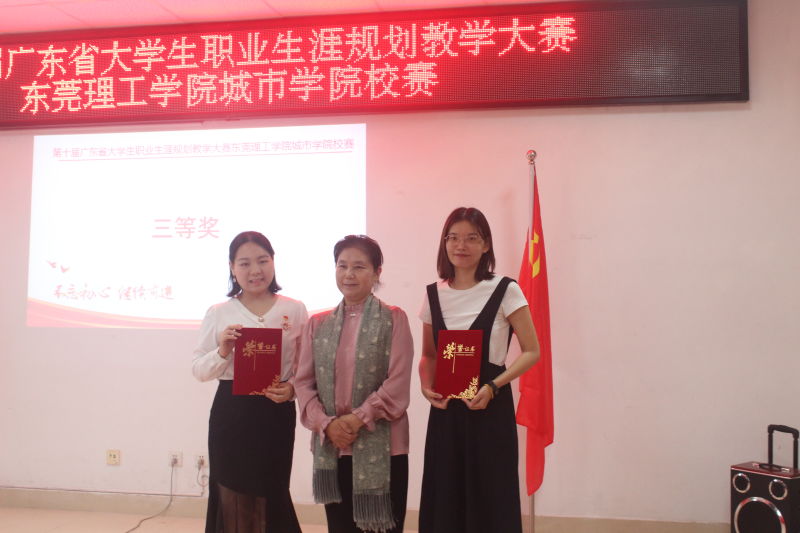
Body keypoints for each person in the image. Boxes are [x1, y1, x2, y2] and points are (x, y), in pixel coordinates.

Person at [418, 207, 541, 533]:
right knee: (446, 492)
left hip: (489, 405)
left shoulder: (506, 289)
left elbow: (532, 351)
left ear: (486, 245)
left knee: (492, 492)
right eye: (453, 238)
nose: (461, 245)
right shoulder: (433, 293)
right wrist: (425, 386)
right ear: (444, 243)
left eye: (471, 238)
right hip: (447, 412)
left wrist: (493, 386)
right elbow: (429, 355)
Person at [295, 235, 413, 533]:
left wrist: (357, 418)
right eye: (342, 265)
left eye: (359, 267)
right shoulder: (318, 323)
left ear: (376, 272)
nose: (349, 274)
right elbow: (304, 384)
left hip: (384, 447)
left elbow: (397, 384)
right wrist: (327, 424)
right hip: (333, 445)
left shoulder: (393, 319)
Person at [192, 231, 308, 533]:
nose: (255, 270)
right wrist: (222, 351)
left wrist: (292, 388)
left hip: (276, 410)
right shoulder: (219, 312)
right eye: (244, 263)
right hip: (233, 413)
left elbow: (307, 365)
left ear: (273, 262)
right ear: (232, 268)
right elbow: (199, 370)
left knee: (272, 489)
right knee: (233, 493)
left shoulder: (294, 309)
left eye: (262, 261)